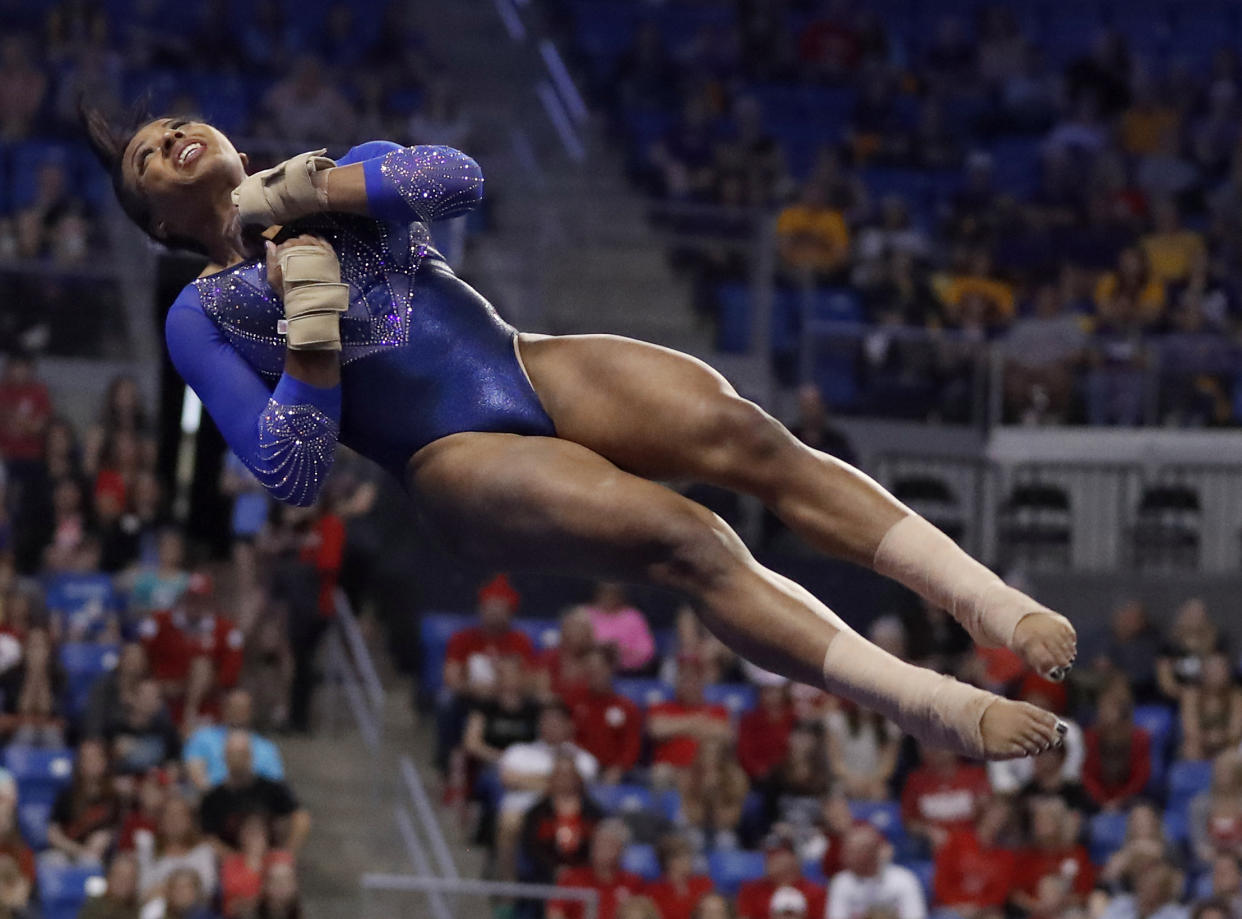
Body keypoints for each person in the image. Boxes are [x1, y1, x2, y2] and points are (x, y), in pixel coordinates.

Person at [81, 112, 1076, 760]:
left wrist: (314, 194)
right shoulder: (202, 315)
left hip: (523, 360)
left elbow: (458, 178)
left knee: (749, 435)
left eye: (174, 124)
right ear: (157, 221)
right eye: (143, 157)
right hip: (451, 457)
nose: (167, 139)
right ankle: (927, 703)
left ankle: (985, 599)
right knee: (688, 538)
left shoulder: (330, 171)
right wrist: (309, 341)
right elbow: (288, 470)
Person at [199, 731, 310, 854]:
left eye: (241, 754)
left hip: (269, 857)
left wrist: (288, 853)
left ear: (250, 756)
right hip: (230, 860)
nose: (237, 759)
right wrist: (232, 860)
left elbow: (301, 819)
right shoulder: (213, 797)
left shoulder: (272, 788)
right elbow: (207, 836)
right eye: (232, 754)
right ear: (224, 757)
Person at [519, 753, 603, 884]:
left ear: (578, 778)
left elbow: (600, 847)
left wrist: (576, 872)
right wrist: (555, 869)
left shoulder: (594, 813)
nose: (564, 779)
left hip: (586, 877)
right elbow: (531, 848)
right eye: (559, 774)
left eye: (569, 774)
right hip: (544, 876)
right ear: (551, 778)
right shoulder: (536, 813)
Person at [564, 645, 642, 784]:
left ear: (610, 669)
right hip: (579, 769)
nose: (594, 675)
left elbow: (631, 745)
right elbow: (565, 737)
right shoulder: (572, 700)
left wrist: (619, 768)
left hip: (613, 772)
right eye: (590, 670)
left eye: (599, 669)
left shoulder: (626, 707)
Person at [647, 663, 732, 788]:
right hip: (671, 769)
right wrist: (698, 722)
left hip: (704, 770)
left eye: (694, 681)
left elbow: (724, 734)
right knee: (660, 773)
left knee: (715, 775)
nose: (689, 686)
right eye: (684, 681)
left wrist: (676, 726)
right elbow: (657, 730)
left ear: (702, 684)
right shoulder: (662, 707)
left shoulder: (718, 710)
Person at [183, 690, 285, 791]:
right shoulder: (202, 738)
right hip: (212, 797)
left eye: (242, 708)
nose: (237, 713)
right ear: (224, 709)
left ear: (251, 712)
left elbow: (275, 784)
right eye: (233, 707)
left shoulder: (266, 748)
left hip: (254, 801)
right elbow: (196, 774)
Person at [933, 797, 1018, 917]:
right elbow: (941, 880)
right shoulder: (957, 840)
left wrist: (978, 907)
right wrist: (958, 904)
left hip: (983, 910)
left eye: (1003, 816)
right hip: (950, 907)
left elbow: (1000, 892)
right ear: (983, 813)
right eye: (994, 813)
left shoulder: (1006, 855)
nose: (998, 820)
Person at [901, 744, 990, 853]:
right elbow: (909, 821)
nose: (932, 749)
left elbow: (990, 815)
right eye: (925, 744)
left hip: (972, 846)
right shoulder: (915, 780)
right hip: (932, 849)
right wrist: (928, 831)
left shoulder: (975, 775)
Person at [547, 819, 645, 919]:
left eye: (609, 845)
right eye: (597, 843)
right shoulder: (572, 878)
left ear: (622, 851)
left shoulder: (633, 882)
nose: (600, 849)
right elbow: (555, 913)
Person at [826, 824, 927, 919]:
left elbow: (915, 916)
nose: (844, 858)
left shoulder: (903, 879)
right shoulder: (841, 882)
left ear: (871, 852)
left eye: (853, 852)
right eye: (846, 851)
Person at [47, 738, 119, 866]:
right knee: (52, 861)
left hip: (97, 856)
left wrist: (89, 852)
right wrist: (78, 851)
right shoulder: (66, 794)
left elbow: (105, 837)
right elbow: (53, 834)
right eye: (86, 759)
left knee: (90, 862)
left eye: (95, 758)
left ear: (104, 762)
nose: (91, 763)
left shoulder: (112, 798)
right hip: (67, 850)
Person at [135, 795, 218, 902]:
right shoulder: (148, 847)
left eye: (180, 815)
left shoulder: (204, 852)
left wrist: (167, 890)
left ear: (190, 820)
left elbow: (207, 890)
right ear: (161, 820)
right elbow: (141, 890)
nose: (174, 820)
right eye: (169, 814)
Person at [737, 835, 827, 919]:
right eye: (768, 854)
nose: (770, 859)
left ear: (794, 859)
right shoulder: (751, 891)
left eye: (777, 854)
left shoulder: (816, 893)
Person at [1180, 652, 1242, 761]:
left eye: (1221, 669)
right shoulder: (1191, 694)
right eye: (1212, 670)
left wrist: (1222, 738)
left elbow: (1236, 729)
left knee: (1236, 749)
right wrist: (1209, 739)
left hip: (1228, 742)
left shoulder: (1236, 695)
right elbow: (1191, 728)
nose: (1217, 674)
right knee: (1191, 748)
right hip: (1200, 742)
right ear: (1203, 673)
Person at [583, 583, 655, 675]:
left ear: (620, 597)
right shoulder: (586, 614)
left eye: (613, 595)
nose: (608, 598)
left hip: (626, 671)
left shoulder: (633, 616)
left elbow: (647, 652)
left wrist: (621, 649)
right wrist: (598, 646)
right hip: (588, 670)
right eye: (605, 594)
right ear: (597, 595)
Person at [646, 834, 713, 919]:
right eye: (682, 857)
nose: (689, 861)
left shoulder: (703, 884)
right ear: (668, 862)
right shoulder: (654, 892)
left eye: (689, 856)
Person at [79, 852, 141, 919]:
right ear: (109, 878)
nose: (122, 883)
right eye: (119, 876)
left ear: (135, 883)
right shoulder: (94, 906)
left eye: (129, 878)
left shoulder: (139, 910)